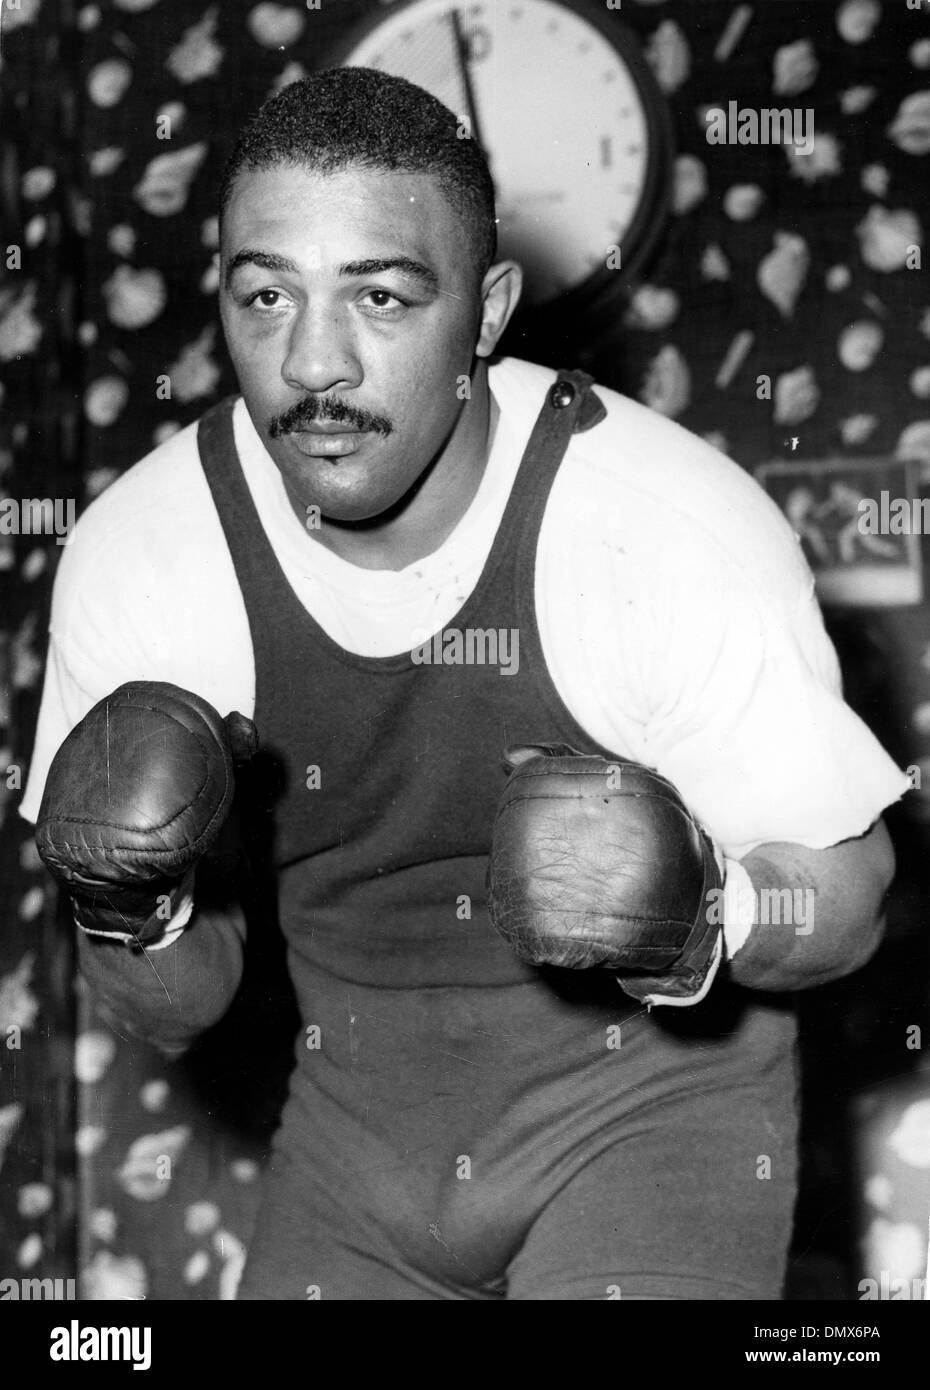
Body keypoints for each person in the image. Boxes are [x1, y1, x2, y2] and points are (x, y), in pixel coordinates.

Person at [21, 67, 907, 1301]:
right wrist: (130, 909)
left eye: (380, 296)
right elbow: (176, 1010)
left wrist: (711, 911)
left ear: (486, 312)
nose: (312, 363)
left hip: (652, 1129)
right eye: (266, 294)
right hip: (354, 1155)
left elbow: (852, 899)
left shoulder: (664, 525)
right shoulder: (145, 559)